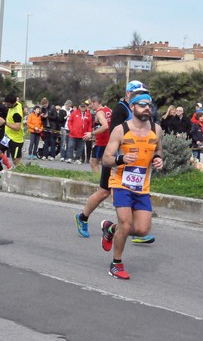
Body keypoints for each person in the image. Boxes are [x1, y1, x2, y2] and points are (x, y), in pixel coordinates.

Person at [74, 81, 155, 244]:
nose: (142, 96)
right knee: (104, 192)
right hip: (116, 159)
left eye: (143, 92)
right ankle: (82, 217)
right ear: (128, 94)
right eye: (138, 93)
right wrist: (120, 157)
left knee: (134, 191)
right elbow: (115, 134)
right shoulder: (121, 109)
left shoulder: (142, 109)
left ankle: (137, 230)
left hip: (135, 163)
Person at [99, 92, 164, 280]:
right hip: (121, 183)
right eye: (142, 104)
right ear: (133, 107)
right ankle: (116, 264)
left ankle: (111, 229)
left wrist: (158, 159)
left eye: (149, 105)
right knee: (126, 223)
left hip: (142, 185)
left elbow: (158, 148)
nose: (146, 108)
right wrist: (121, 158)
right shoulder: (121, 130)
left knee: (143, 229)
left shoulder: (156, 129)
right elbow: (106, 159)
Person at [0, 93, 24, 182]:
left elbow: (17, 127)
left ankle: (22, 176)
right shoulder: (17, 104)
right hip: (7, 137)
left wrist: (4, 123)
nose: (6, 105)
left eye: (8, 104)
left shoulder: (17, 113)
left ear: (13, 103)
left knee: (16, 162)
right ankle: (0, 172)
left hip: (16, 140)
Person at [83, 95, 112, 175]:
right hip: (110, 140)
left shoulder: (99, 112)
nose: (89, 106)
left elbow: (105, 126)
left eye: (90, 104)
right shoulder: (108, 110)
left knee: (93, 162)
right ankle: (106, 180)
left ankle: (98, 180)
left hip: (102, 141)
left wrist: (91, 134)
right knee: (106, 163)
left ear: (95, 103)